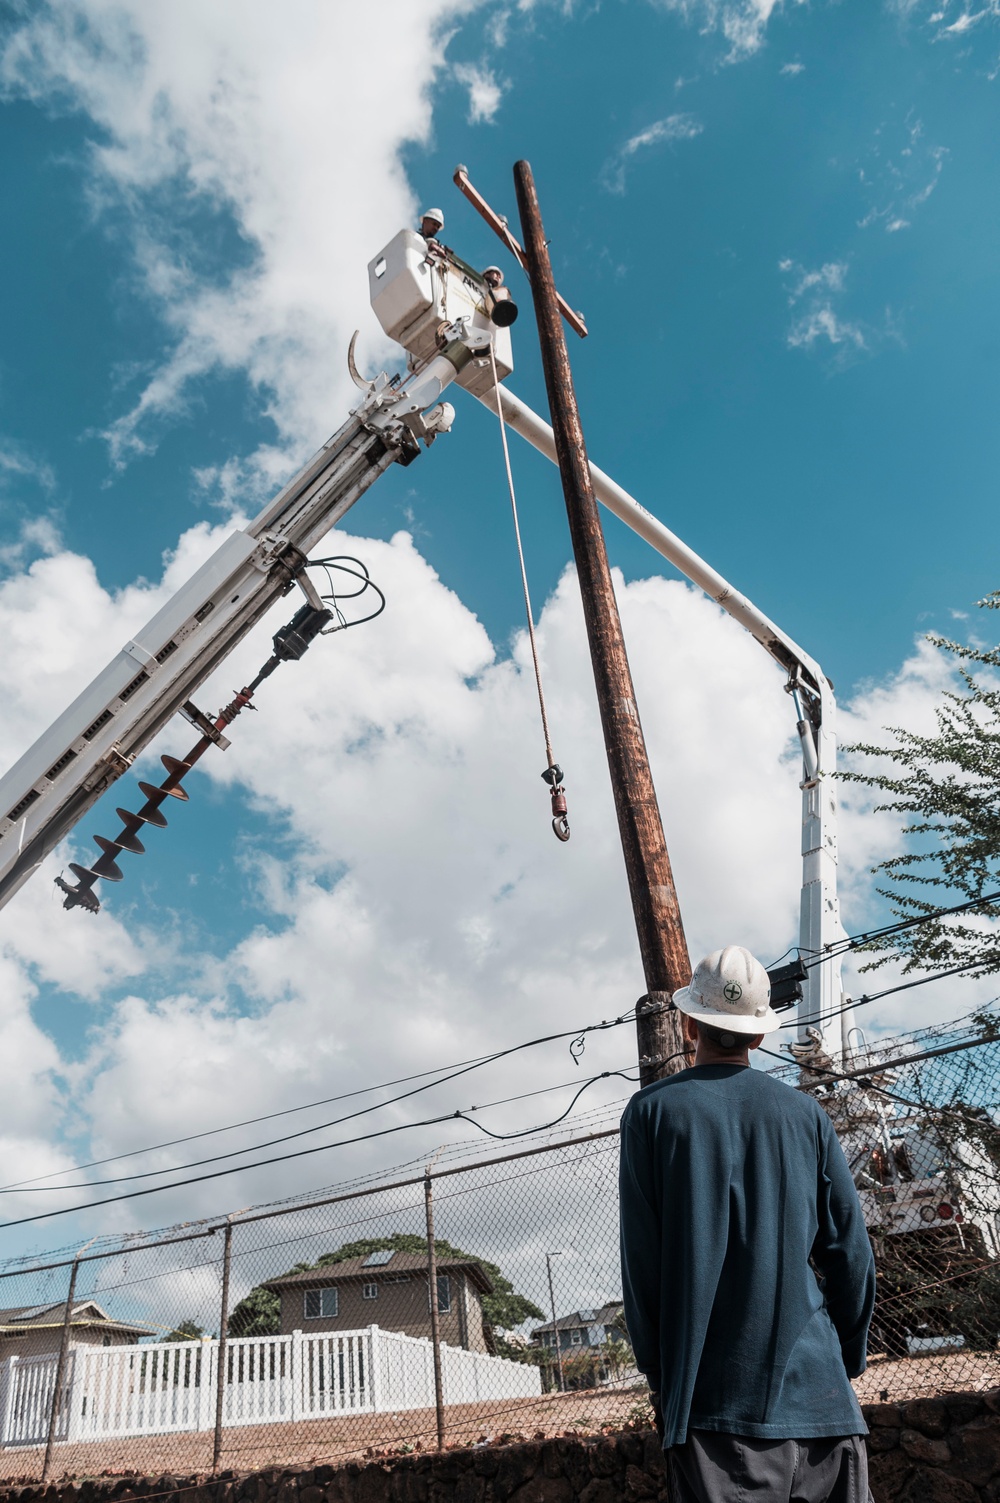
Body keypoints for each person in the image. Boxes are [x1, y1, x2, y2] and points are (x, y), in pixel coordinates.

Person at [619, 945, 876, 1503]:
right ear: (759, 1036)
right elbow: (850, 1254)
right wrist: (845, 1359)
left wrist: (663, 1379)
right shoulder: (808, 1116)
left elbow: (642, 1268)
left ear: (689, 1024)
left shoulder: (651, 1113)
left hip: (715, 1413)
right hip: (827, 1408)